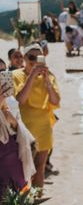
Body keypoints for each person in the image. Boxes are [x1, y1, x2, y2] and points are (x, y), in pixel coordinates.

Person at [12, 44, 60, 188]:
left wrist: (46, 81)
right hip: (24, 126)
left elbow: (56, 101)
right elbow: (20, 99)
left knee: (40, 167)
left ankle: (37, 204)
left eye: (38, 58)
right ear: (24, 58)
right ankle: (26, 203)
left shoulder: (49, 76)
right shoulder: (16, 75)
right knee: (24, 169)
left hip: (44, 125)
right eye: (31, 57)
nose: (34, 61)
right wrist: (32, 75)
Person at [0, 72, 35, 193]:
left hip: (13, 157)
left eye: (3, 72)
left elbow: (18, 127)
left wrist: (12, 120)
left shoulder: (10, 101)